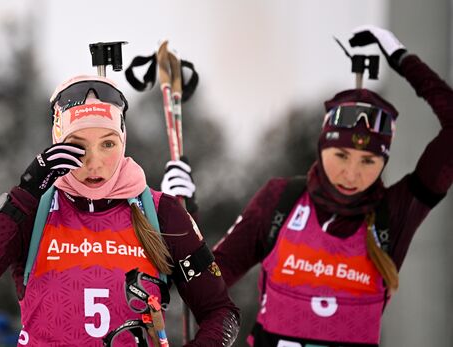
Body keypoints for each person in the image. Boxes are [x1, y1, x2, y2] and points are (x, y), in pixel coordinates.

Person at [161, 25, 453, 346]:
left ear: (383, 163)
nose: (352, 173)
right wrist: (184, 218)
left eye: (368, 162)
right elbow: (210, 283)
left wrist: (402, 58)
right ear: (323, 147)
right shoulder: (282, 199)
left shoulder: (394, 212)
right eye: (341, 155)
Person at [0, 74, 240, 346]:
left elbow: (221, 313)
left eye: (108, 144)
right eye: (77, 146)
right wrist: (23, 196)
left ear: (123, 140)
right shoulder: (34, 210)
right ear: (57, 142)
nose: (93, 163)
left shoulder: (160, 211)